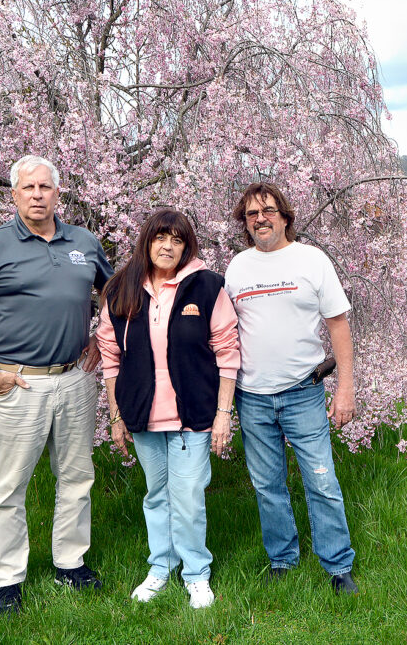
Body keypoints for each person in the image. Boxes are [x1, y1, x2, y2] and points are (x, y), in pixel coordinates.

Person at [0, 155, 113, 620]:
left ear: (58, 192)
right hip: (15, 384)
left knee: (77, 477)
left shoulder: (83, 242)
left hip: (73, 380)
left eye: (45, 187)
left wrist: (103, 341)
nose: (37, 195)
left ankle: (70, 562)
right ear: (15, 195)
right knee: (7, 487)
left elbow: (115, 296)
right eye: (28, 188)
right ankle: (8, 581)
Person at [97, 209, 239, 609]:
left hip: (192, 413)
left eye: (177, 240)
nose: (168, 246)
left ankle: (196, 574)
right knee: (156, 494)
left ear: (186, 246)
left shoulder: (208, 287)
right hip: (142, 411)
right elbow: (110, 355)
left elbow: (228, 350)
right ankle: (160, 567)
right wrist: (115, 414)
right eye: (161, 237)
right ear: (147, 241)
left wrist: (223, 414)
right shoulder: (122, 288)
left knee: (189, 495)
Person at [224, 182, 359, 594]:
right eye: (251, 214)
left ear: (285, 216)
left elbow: (338, 324)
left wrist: (346, 388)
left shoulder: (311, 260)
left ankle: (338, 566)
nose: (260, 219)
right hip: (252, 397)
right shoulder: (237, 268)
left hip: (303, 392)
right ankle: (282, 559)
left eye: (268, 210)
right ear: (245, 224)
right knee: (267, 485)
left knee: (321, 480)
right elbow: (225, 333)